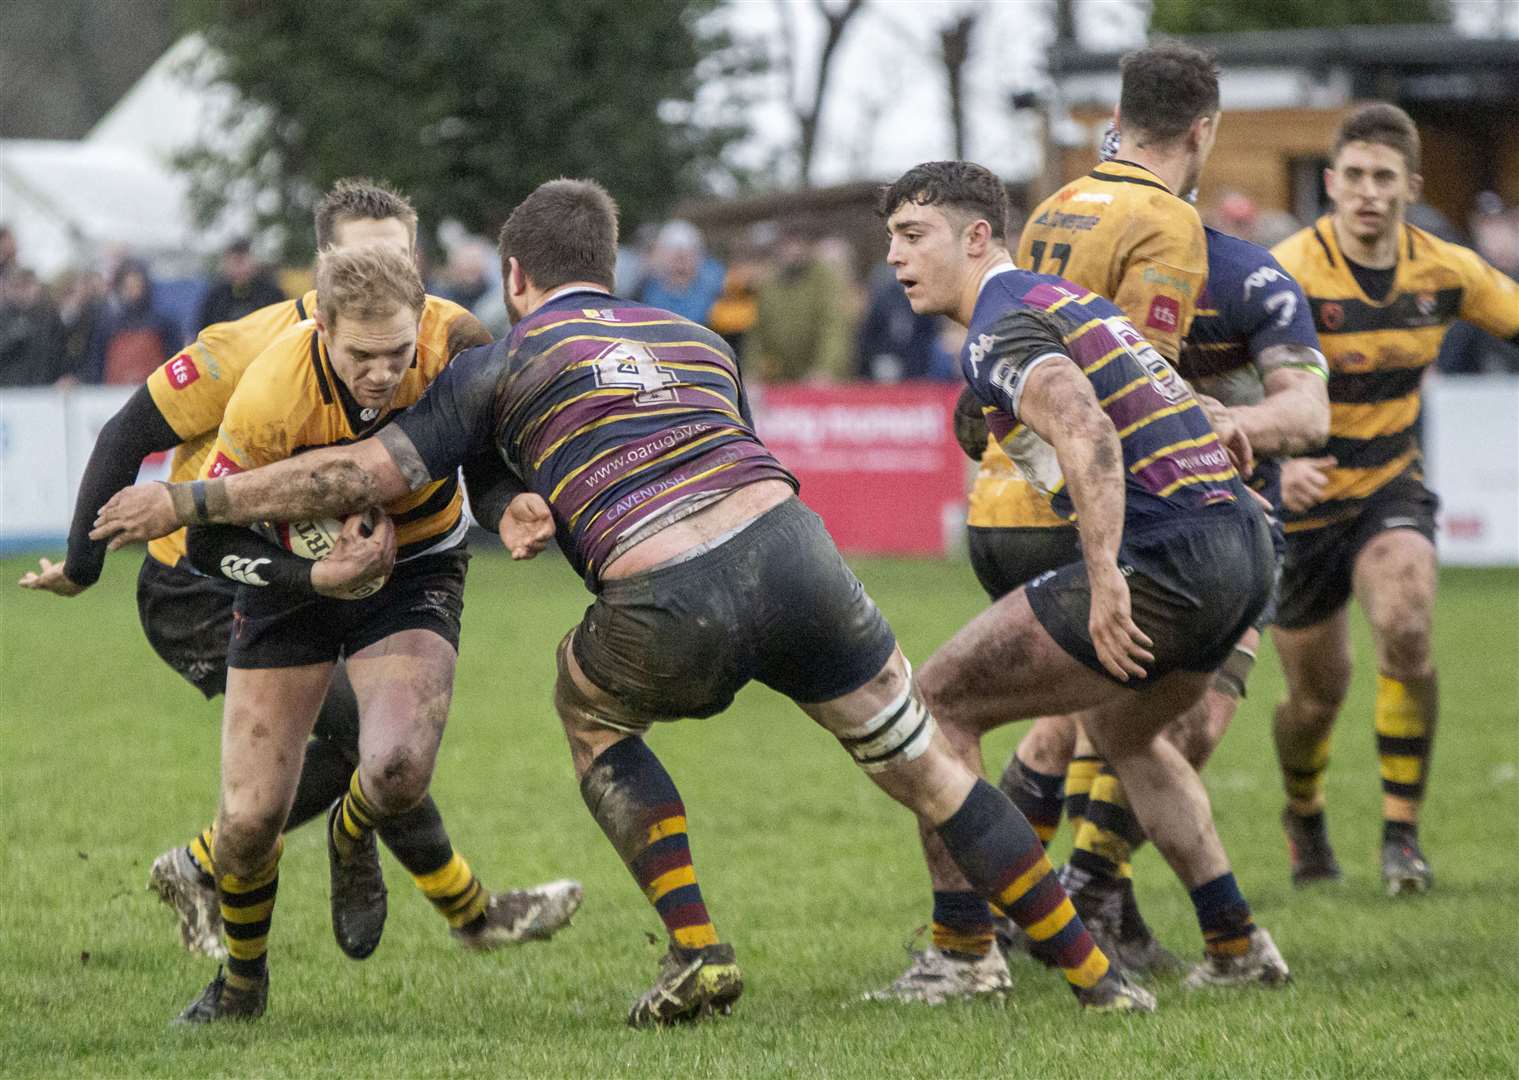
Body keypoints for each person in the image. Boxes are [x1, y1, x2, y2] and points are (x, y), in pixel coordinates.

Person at [92, 177, 1155, 1025]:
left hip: (663, 592)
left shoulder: (500, 357)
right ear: (614, 269)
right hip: (798, 555)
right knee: (924, 764)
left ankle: (696, 950)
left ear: (513, 277)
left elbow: (366, 475)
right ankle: (1096, 975)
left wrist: (187, 494)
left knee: (588, 706)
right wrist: (512, 500)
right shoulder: (701, 340)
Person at [20, 179, 580, 988]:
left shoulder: (441, 339)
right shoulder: (255, 355)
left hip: (362, 567)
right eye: (362, 258)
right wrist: (82, 564)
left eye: (399, 257)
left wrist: (506, 504)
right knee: (344, 744)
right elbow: (127, 434)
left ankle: (449, 909)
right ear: (323, 274)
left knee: (383, 749)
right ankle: (456, 911)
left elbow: (480, 452)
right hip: (201, 581)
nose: (383, 273)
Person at [869, 160, 1289, 1001]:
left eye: (913, 237)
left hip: (1170, 556)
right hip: (1243, 546)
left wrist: (1105, 578)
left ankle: (961, 953)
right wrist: (1217, 438)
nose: (895, 258)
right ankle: (1236, 943)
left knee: (936, 703)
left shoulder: (1000, 325)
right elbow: (1171, 401)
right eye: (890, 241)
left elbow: (1085, 427)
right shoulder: (1074, 305)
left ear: (977, 236)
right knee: (1127, 735)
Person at [916, 41, 1223, 992]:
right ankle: (1026, 930)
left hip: (1004, 499)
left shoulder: (1054, 206)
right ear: (1204, 131)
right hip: (1094, 508)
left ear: (1116, 121)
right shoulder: (1166, 219)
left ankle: (1073, 913)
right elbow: (1138, 372)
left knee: (1089, 714)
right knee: (1084, 717)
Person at [1269, 104, 1519, 895]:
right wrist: (1273, 467)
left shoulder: (1445, 271)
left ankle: (1400, 835)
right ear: (1330, 183)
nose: (1367, 193)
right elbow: (1214, 386)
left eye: (1384, 178)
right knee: (1314, 698)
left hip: (1388, 486)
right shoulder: (1284, 275)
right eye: (1353, 177)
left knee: (1406, 623)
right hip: (1302, 501)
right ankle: (1302, 811)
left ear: (1409, 186)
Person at [742, 223, 855, 383]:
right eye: (786, 244)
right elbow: (757, 335)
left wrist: (825, 369)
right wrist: (752, 371)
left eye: (797, 244)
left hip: (822, 379)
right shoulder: (769, 283)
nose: (792, 250)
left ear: (808, 247)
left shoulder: (825, 278)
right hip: (782, 378)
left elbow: (833, 328)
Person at [89, 258, 182, 384]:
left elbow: (174, 362)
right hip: (112, 396)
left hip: (153, 393)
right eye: (128, 286)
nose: (133, 291)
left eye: (137, 286)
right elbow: (96, 365)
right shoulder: (107, 325)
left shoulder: (164, 323)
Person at [633, 219, 725, 326]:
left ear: (699, 257)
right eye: (674, 256)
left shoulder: (718, 290)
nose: (680, 263)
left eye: (687, 255)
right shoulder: (643, 292)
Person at [194, 238, 286, 334]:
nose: (239, 268)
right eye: (234, 262)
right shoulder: (215, 297)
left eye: (243, 261)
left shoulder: (271, 294)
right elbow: (203, 333)